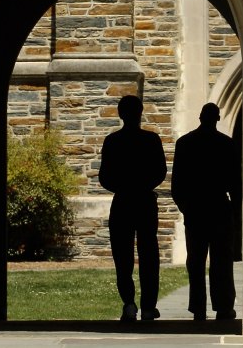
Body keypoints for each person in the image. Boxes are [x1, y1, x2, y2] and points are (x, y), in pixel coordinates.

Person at [99, 95, 168, 322]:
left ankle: (129, 303)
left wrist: (124, 187)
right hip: (145, 202)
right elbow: (160, 172)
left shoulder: (113, 141)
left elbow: (104, 177)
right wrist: (142, 185)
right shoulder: (151, 140)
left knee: (123, 255)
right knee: (149, 255)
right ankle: (149, 306)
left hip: (123, 201)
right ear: (141, 112)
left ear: (120, 114)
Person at [171, 103, 241, 320]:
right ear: (217, 118)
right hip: (218, 207)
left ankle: (198, 306)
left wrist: (186, 207)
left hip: (197, 208)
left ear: (200, 117)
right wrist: (235, 211)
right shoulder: (226, 145)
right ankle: (223, 306)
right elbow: (235, 183)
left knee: (196, 261)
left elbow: (177, 184)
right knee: (221, 261)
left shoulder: (185, 144)